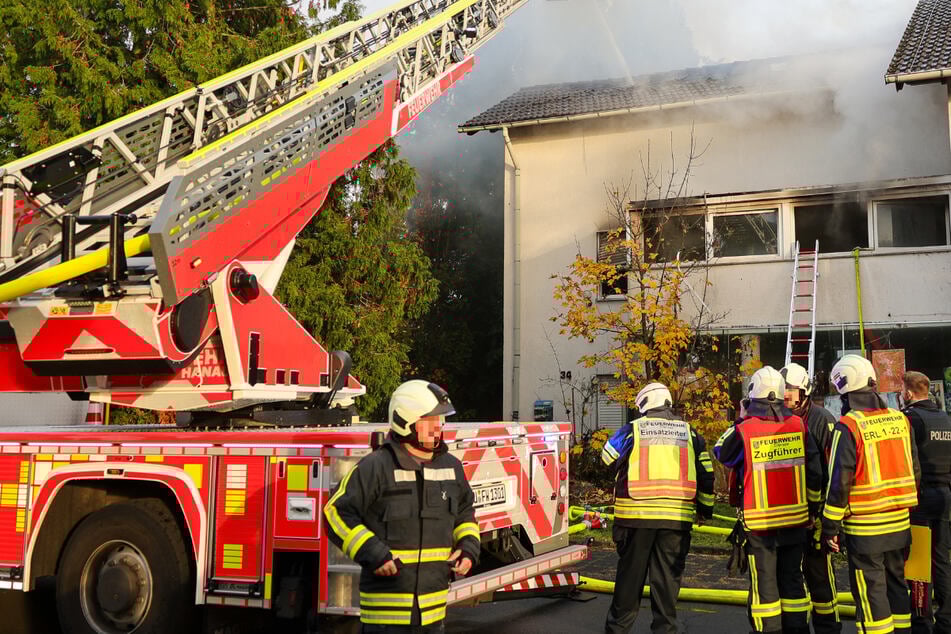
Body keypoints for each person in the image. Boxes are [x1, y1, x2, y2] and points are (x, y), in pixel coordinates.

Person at [323, 380, 480, 633]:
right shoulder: (376, 467)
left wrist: (468, 549)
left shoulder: (451, 467)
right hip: (385, 619)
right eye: (430, 420)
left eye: (441, 420)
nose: (439, 427)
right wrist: (374, 553)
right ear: (405, 420)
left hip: (434, 615)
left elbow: (465, 513)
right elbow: (335, 513)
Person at [715, 366, 823, 634]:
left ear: (753, 394)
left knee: (765, 590)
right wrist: (812, 511)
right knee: (793, 584)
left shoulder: (745, 429)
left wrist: (741, 418)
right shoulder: (798, 425)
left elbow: (721, 452)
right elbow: (814, 472)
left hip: (760, 526)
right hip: (796, 523)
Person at [600, 382, 715, 634]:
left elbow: (607, 457)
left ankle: (618, 630)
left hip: (636, 519)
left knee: (629, 584)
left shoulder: (633, 429)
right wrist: (706, 510)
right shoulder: (690, 433)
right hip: (675, 522)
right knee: (666, 587)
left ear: (645, 404)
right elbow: (707, 474)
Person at [822, 354, 920, 634]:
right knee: (897, 585)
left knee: (871, 592)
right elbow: (915, 470)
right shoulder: (900, 420)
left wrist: (830, 527)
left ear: (846, 390)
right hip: (900, 523)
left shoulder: (849, 425)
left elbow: (839, 483)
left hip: (866, 529)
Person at [781, 362, 841, 634]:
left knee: (819, 577)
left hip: (815, 516)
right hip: (790, 517)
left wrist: (823, 516)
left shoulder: (822, 420)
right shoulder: (779, 420)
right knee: (791, 578)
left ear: (803, 393)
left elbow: (830, 472)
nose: (786, 397)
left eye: (791, 392)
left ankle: (828, 627)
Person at [903, 371, 951, 634]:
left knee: (919, 564)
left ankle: (922, 621)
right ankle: (946, 620)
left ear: (909, 393)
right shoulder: (945, 418)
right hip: (944, 495)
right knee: (941, 560)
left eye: (902, 392)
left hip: (920, 498)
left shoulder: (910, 420)